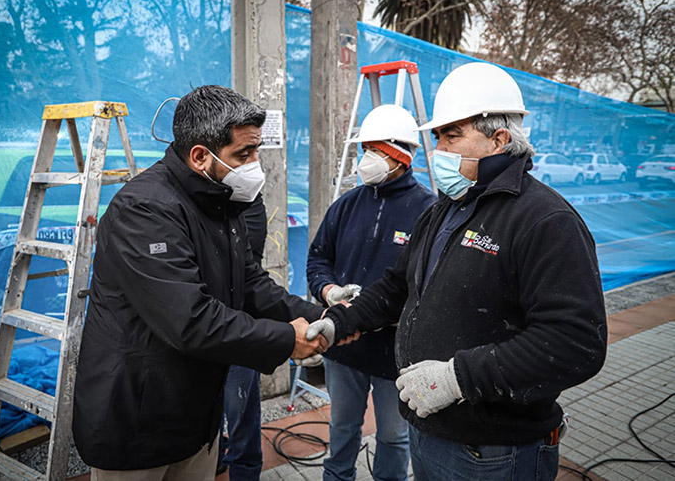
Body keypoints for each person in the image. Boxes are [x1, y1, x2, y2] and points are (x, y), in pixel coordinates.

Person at [306, 62, 607, 481]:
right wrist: (341, 321)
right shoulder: (446, 210)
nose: (440, 148)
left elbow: (577, 342)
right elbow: (397, 287)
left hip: (494, 454)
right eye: (438, 137)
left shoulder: (545, 220)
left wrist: (457, 378)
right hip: (430, 432)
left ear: (499, 138)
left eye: (452, 135)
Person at [73, 85, 327, 481]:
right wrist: (285, 339)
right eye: (243, 154)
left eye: (256, 151)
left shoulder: (218, 202)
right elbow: (190, 319)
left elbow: (250, 282)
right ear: (199, 156)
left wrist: (318, 315)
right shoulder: (144, 209)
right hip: (137, 420)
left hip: (194, 416)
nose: (255, 165)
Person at [306, 104, 437, 481]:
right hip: (343, 344)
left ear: (400, 155)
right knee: (342, 429)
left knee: (395, 437)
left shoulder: (428, 211)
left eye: (375, 152)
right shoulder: (347, 204)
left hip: (395, 352)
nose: (367, 160)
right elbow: (318, 257)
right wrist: (328, 292)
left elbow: (431, 283)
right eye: (365, 150)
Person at [217, 193, 268, 480]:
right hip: (205, 326)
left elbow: (243, 266)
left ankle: (245, 470)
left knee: (240, 408)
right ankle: (215, 458)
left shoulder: (247, 200)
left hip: (238, 322)